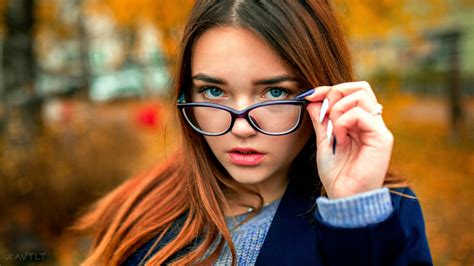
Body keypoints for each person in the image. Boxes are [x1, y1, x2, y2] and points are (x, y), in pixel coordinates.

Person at [75, 1, 432, 265]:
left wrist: (353, 215)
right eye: (214, 91)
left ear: (324, 92)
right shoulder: (136, 211)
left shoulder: (383, 212)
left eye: (275, 92)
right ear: (187, 94)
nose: (242, 127)